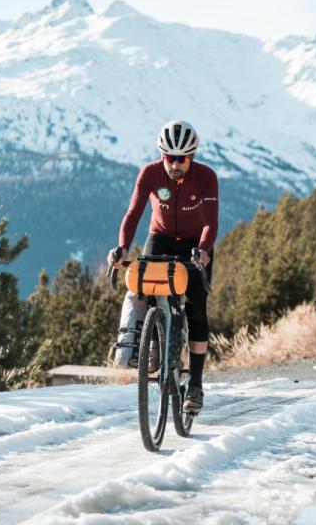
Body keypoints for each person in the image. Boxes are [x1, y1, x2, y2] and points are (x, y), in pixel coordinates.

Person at [109, 119, 218, 413]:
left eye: (181, 159)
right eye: (169, 158)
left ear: (190, 157)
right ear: (162, 155)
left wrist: (204, 251)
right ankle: (147, 344)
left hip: (195, 244)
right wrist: (121, 247)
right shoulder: (151, 173)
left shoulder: (206, 177)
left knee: (196, 307)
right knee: (143, 287)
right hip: (160, 237)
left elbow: (210, 222)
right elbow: (133, 214)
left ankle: (194, 383)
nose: (175, 165)